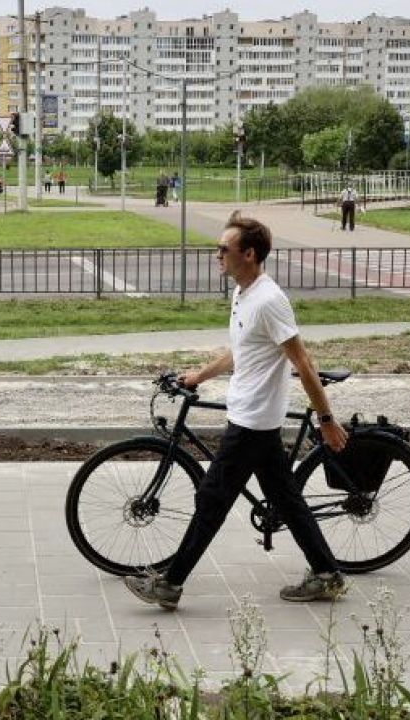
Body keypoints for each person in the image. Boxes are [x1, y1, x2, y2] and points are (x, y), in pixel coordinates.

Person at [124, 212, 349, 610]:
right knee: (286, 498)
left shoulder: (270, 300)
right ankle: (328, 574)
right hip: (248, 414)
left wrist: (326, 420)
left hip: (254, 422)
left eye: (223, 250)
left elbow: (303, 362)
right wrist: (199, 374)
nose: (217, 256)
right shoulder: (243, 294)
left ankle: (170, 584)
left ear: (249, 254)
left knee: (212, 498)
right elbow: (241, 350)